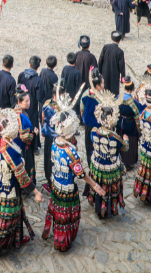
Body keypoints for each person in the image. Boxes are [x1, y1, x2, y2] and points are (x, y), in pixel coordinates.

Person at [0, 107, 43, 258]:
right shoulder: (11, 150)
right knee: (7, 218)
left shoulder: (1, 142)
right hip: (10, 188)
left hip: (0, 186)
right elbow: (22, 175)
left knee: (6, 215)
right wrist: (36, 192)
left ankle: (15, 240)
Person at [41, 98, 105, 252]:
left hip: (56, 182)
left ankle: (55, 233)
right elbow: (81, 174)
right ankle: (63, 241)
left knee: (57, 209)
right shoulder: (71, 152)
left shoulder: (55, 141)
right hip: (68, 187)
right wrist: (94, 185)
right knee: (66, 214)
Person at [85, 88, 129, 219]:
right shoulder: (114, 137)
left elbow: (93, 141)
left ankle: (98, 208)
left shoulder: (94, 131)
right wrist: (126, 140)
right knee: (110, 188)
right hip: (111, 168)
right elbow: (124, 148)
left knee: (98, 186)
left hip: (97, 165)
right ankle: (108, 209)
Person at [17, 56, 46, 152]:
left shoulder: (21, 75)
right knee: (33, 125)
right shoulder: (38, 80)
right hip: (32, 106)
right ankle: (33, 146)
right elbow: (40, 97)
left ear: (29, 64)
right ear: (38, 66)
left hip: (22, 105)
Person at [117, 76, 143, 170]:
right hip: (130, 125)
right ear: (132, 89)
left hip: (120, 123)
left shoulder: (118, 98)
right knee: (130, 141)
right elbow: (137, 118)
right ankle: (127, 162)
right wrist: (139, 130)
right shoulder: (134, 103)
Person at [80, 68, 104, 166]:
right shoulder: (101, 98)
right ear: (97, 86)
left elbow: (82, 110)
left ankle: (91, 166)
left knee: (89, 147)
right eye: (102, 84)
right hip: (98, 127)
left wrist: (85, 119)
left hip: (88, 125)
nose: (104, 85)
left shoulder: (85, 94)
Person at [98, 31, 126, 96]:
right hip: (115, 74)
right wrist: (123, 76)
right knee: (114, 92)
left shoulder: (105, 47)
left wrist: (100, 70)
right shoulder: (120, 52)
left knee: (105, 89)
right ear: (119, 40)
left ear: (111, 38)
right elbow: (122, 65)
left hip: (105, 72)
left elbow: (100, 59)